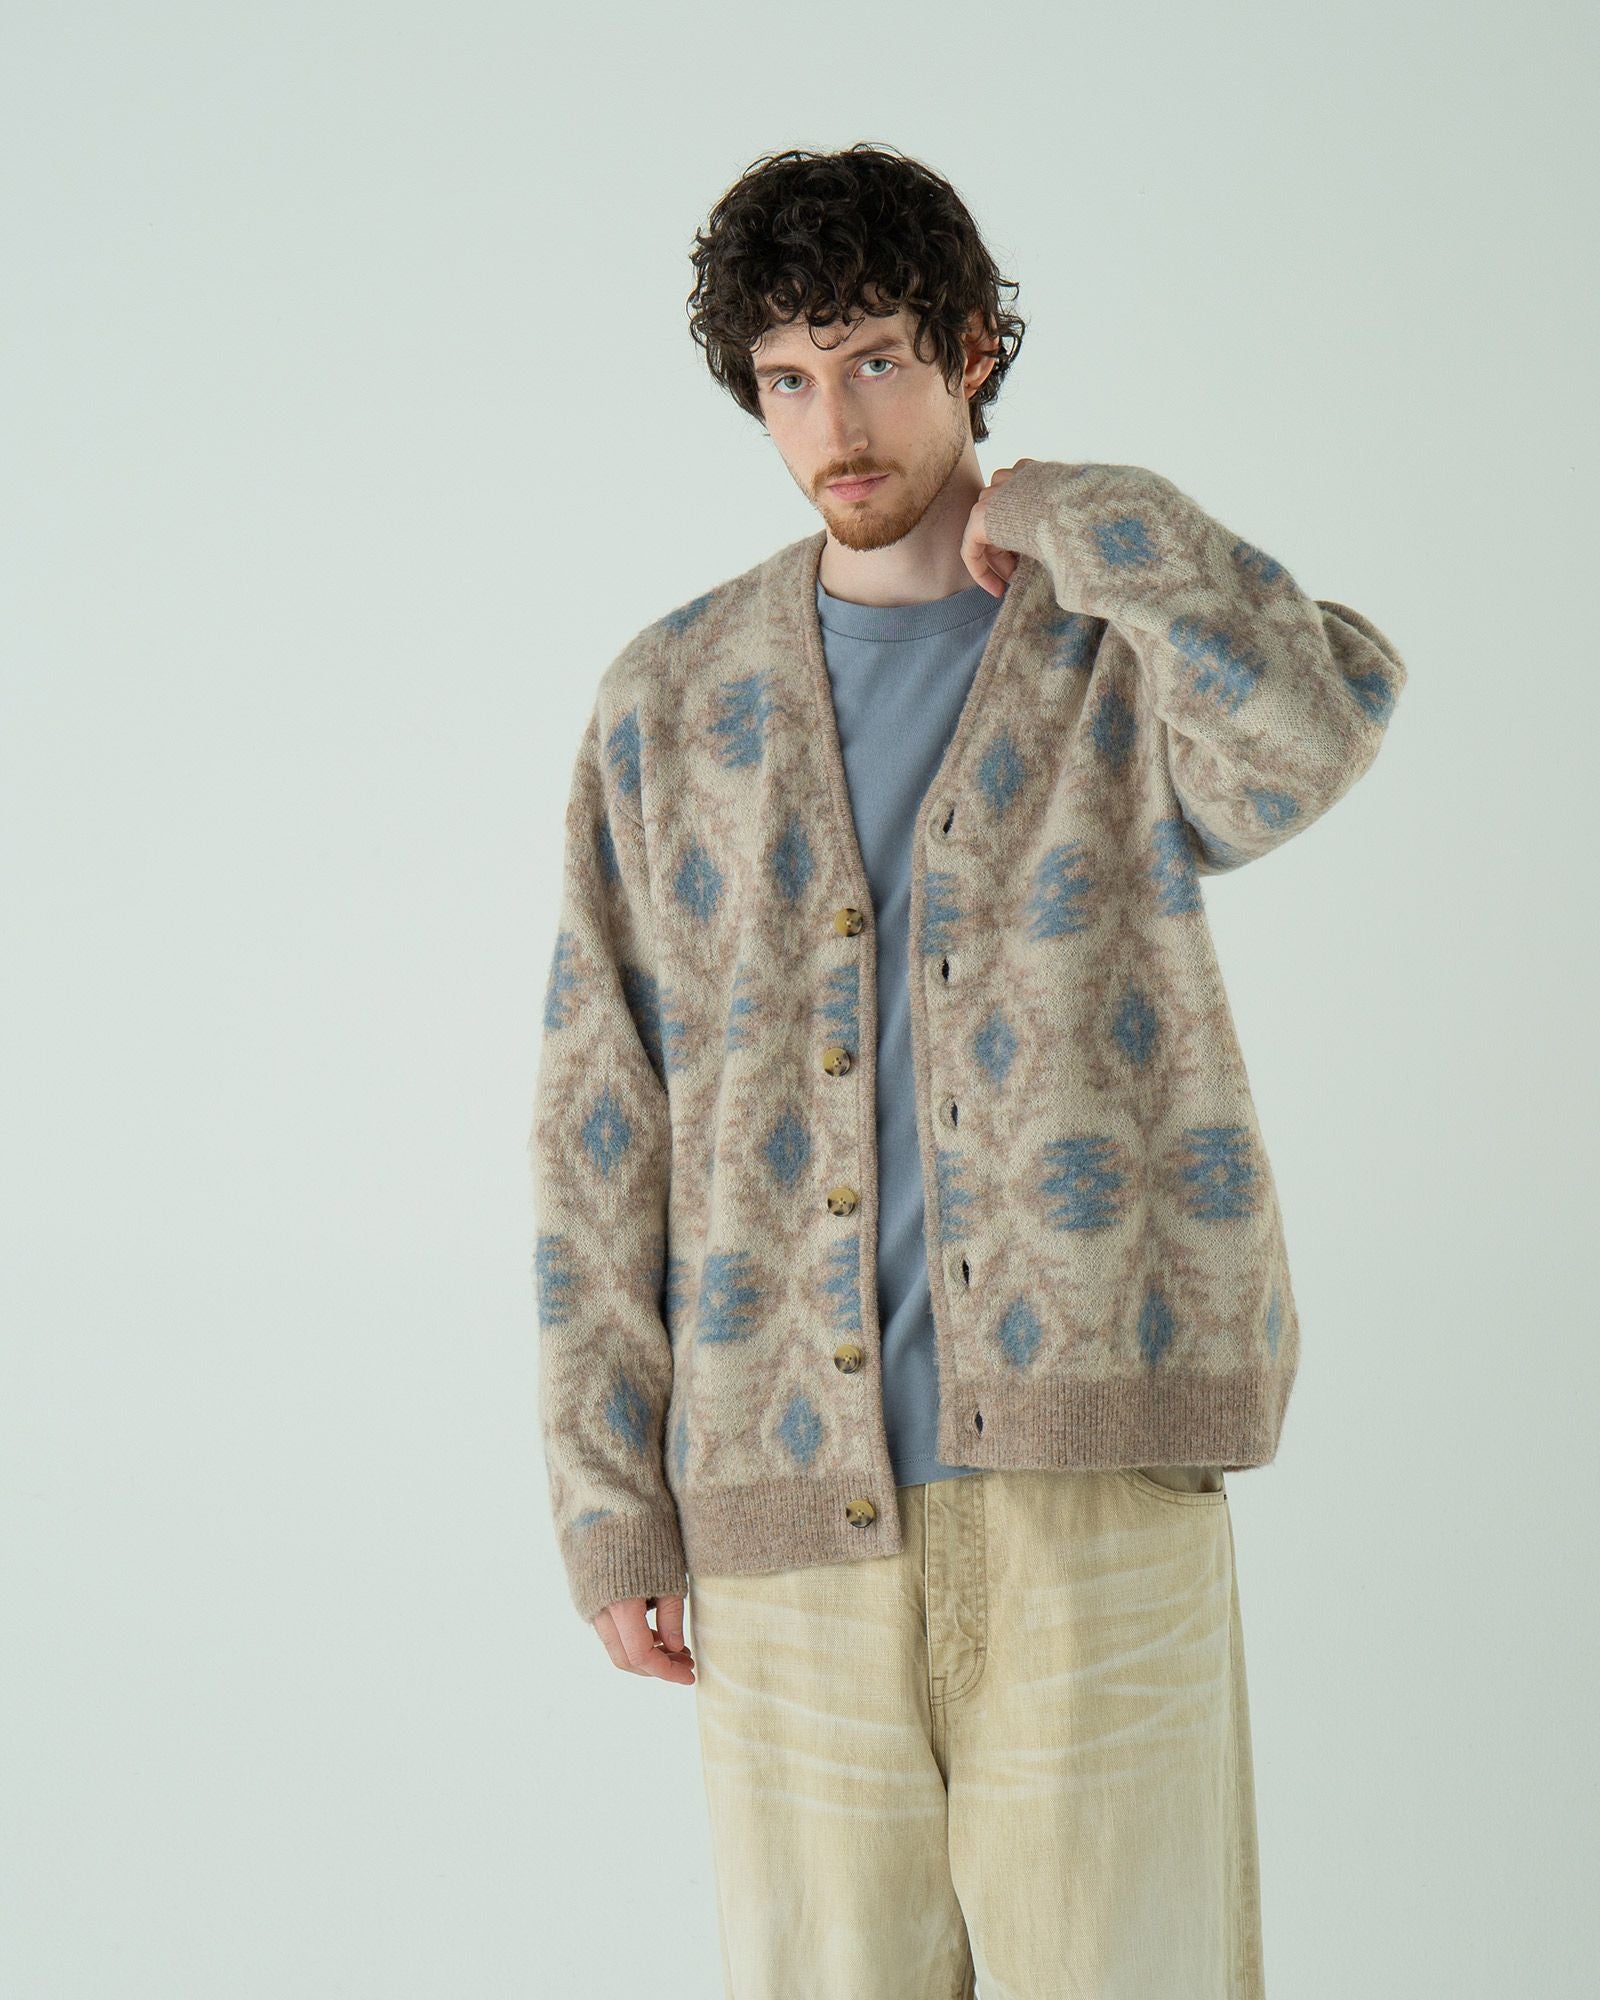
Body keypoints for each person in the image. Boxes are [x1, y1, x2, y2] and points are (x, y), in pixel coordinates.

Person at [529, 142, 1406, 1998]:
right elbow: (601, 1119)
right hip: (785, 1522)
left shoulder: (1110, 651)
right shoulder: (668, 704)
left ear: (973, 352)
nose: (834, 425)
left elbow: (1312, 731)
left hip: (1096, 1496)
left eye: (875, 361)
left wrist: (1095, 514)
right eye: (787, 379)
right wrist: (611, 1499)